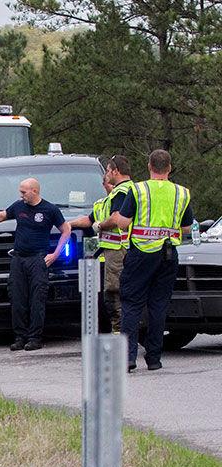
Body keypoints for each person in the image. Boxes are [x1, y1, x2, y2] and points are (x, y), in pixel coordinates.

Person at [100, 149, 193, 371]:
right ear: (169, 168)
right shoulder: (182, 193)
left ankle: (129, 358)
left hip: (141, 253)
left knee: (131, 304)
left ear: (149, 167)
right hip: (168, 255)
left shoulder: (139, 190)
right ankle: (154, 359)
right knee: (158, 306)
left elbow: (122, 223)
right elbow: (187, 227)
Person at [0, 177, 72, 351]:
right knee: (17, 298)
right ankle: (20, 337)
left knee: (37, 299)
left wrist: (55, 254)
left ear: (34, 191)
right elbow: (0, 216)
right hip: (18, 258)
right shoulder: (19, 206)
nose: (21, 195)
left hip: (38, 258)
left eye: (23, 192)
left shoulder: (49, 209)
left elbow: (66, 230)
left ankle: (35, 338)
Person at [68, 156, 133, 333]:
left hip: (119, 249)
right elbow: (89, 219)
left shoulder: (122, 191)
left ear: (115, 171)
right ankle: (121, 329)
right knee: (114, 291)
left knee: (114, 291)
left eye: (107, 171)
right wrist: (68, 224)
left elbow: (115, 218)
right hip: (114, 250)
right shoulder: (106, 201)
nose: (106, 177)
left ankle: (120, 331)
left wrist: (100, 226)